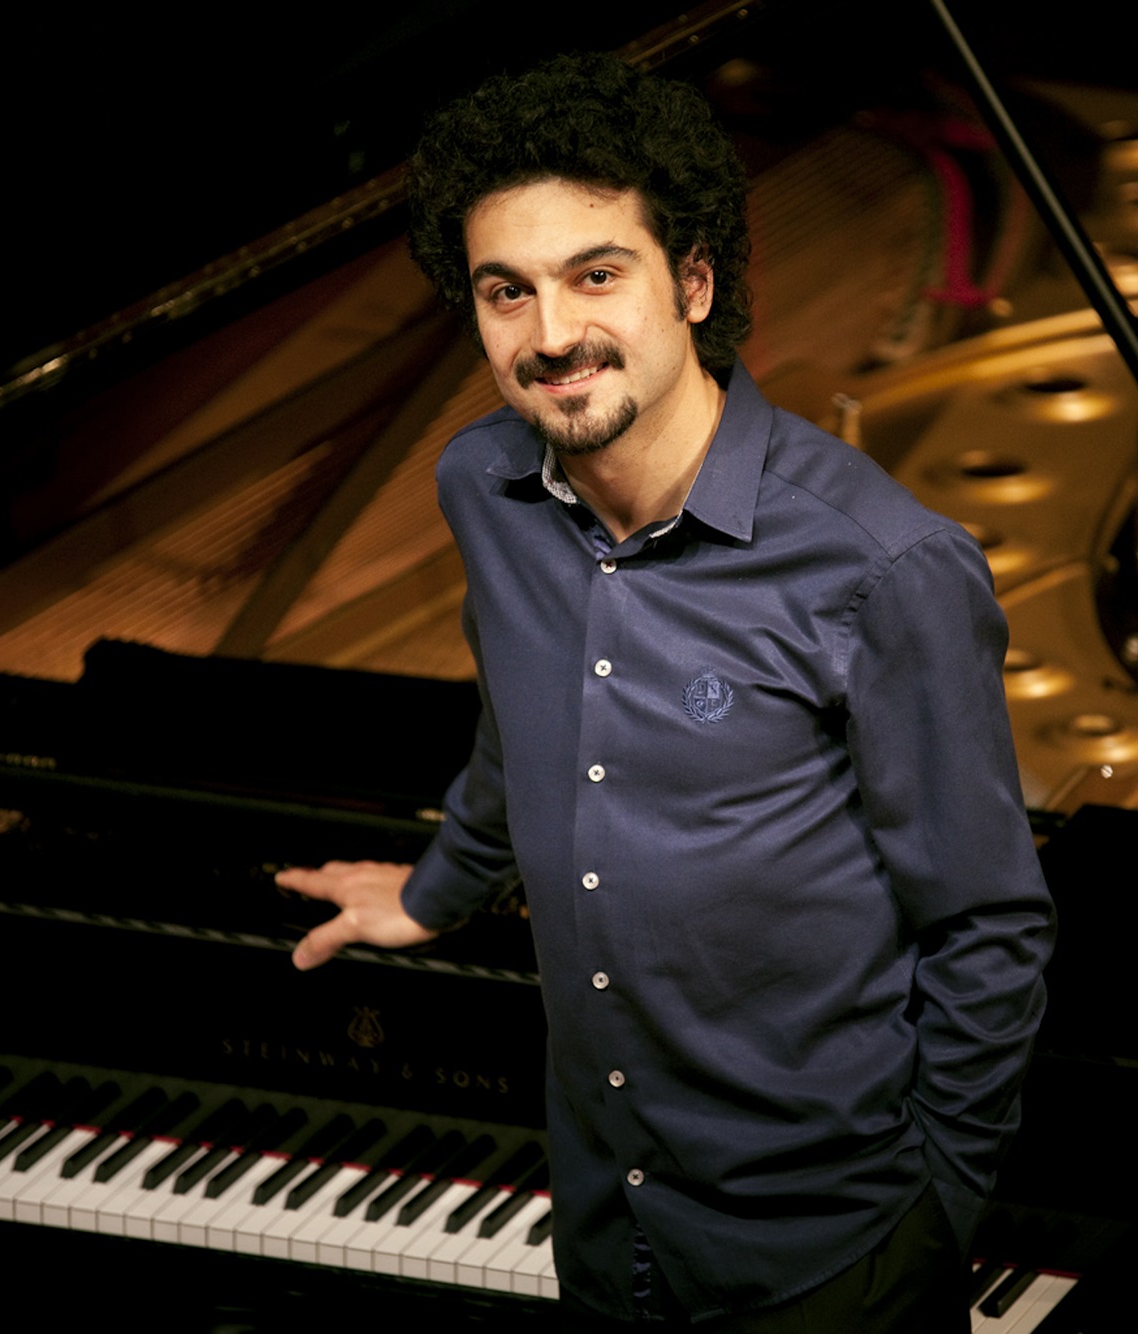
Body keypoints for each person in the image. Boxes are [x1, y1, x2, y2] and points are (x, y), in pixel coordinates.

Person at [275, 51, 1054, 1331]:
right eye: (505, 291)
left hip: (829, 1258)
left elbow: (987, 923)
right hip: (603, 1224)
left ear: (691, 282)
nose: (549, 335)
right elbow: (517, 720)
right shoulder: (482, 487)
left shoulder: (881, 567)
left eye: (596, 274)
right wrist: (435, 889)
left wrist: (931, 1222)